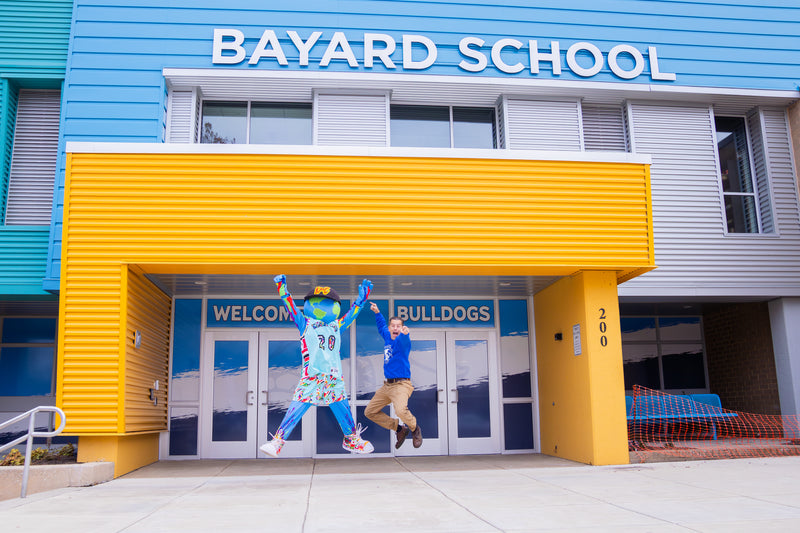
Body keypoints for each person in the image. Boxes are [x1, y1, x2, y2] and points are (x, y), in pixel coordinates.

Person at [259, 274, 374, 457]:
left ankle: (351, 439)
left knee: (342, 408)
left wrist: (361, 301)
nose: (320, 307)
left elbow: (351, 316)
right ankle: (278, 441)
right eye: (316, 303)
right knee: (296, 408)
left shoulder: (337, 326)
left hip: (334, 377)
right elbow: (290, 308)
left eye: (326, 303)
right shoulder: (305, 324)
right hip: (312, 376)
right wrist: (282, 289)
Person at [364, 302, 422, 449]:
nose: (395, 328)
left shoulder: (403, 342)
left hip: (401, 384)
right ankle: (399, 429)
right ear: (390, 328)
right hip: (387, 386)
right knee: (369, 412)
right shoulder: (387, 336)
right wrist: (377, 312)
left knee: (400, 410)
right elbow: (381, 326)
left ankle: (415, 429)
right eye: (393, 326)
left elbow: (405, 339)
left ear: (401, 328)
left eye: (398, 326)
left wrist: (405, 334)